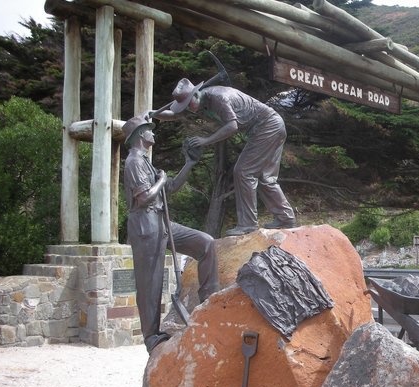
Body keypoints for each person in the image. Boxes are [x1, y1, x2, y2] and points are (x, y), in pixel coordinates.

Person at [149, 79, 297, 237]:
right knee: (266, 177)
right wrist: (153, 114)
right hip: (269, 127)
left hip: (267, 126)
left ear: (196, 94)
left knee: (243, 172)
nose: (190, 110)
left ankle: (248, 224)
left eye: (188, 105)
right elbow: (175, 114)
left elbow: (232, 126)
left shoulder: (218, 98)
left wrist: (206, 140)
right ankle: (285, 218)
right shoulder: (197, 102)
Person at [122, 116, 219, 354]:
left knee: (205, 243)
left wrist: (189, 163)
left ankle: (210, 301)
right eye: (149, 131)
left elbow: (171, 188)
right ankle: (151, 336)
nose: (154, 134)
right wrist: (161, 180)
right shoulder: (134, 161)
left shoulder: (146, 162)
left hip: (160, 221)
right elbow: (144, 197)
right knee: (150, 283)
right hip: (145, 224)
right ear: (140, 136)